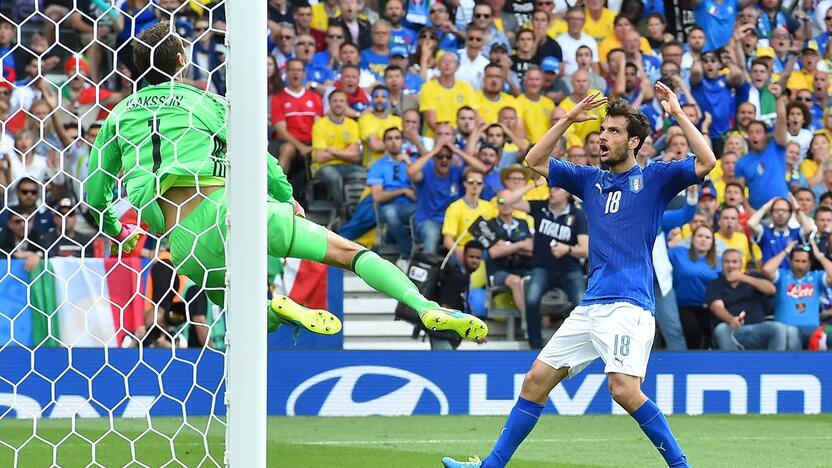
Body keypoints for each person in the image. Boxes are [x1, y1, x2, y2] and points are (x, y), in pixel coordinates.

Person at [85, 23, 487, 344]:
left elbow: (94, 191)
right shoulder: (201, 101)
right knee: (349, 253)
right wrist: (285, 195)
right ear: (179, 60)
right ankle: (423, 303)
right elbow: (257, 155)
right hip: (234, 210)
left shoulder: (118, 116)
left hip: (184, 242)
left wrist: (115, 227)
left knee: (248, 316)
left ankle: (277, 307)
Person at [442, 83, 714, 468]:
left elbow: (706, 161)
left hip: (629, 305)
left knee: (623, 390)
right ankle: (490, 467)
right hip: (591, 306)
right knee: (536, 379)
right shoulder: (590, 179)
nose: (603, 137)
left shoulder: (655, 178)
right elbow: (534, 159)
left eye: (614, 131)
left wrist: (678, 113)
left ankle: (681, 465)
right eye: (602, 130)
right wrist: (568, 118)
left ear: (634, 142)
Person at [503, 184, 589, 349]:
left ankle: (580, 345)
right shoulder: (540, 207)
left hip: (569, 270)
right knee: (531, 299)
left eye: (556, 188)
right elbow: (508, 201)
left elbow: (585, 250)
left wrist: (568, 249)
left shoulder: (577, 215)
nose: (551, 191)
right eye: (550, 188)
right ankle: (535, 345)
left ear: (567, 193)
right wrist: (534, 184)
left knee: (582, 304)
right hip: (541, 268)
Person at [707, 249, 787, 351]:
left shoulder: (753, 276)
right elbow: (717, 307)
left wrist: (743, 278)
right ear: (721, 264)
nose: (731, 265)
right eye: (727, 262)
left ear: (741, 264)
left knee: (779, 328)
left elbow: (771, 289)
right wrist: (730, 319)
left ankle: (774, 366)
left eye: (734, 262)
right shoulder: (715, 284)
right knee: (721, 329)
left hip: (758, 328)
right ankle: (733, 365)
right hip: (733, 329)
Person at [763, 240, 832, 350]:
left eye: (804, 261)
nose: (800, 265)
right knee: (791, 332)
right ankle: (795, 367)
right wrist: (785, 251)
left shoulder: (816, 277)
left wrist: (819, 255)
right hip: (786, 329)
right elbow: (767, 269)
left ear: (810, 263)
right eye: (797, 261)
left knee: (827, 333)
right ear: (790, 262)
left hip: (812, 329)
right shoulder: (783, 275)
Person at [368, 127, 417, 264]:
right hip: (387, 208)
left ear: (402, 142)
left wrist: (408, 164)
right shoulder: (377, 166)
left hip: (411, 206)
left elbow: (420, 191)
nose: (394, 142)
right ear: (384, 143)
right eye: (389, 139)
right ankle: (409, 253)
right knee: (390, 213)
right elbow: (377, 197)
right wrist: (403, 191)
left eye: (397, 138)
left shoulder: (412, 163)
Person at [669, 225, 722, 349]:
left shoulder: (720, 261)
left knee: (714, 336)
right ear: (692, 239)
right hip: (685, 306)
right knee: (693, 334)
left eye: (707, 237)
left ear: (712, 243)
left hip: (710, 308)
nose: (703, 239)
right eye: (700, 236)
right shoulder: (678, 252)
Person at [484, 190, 534, 319]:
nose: (505, 204)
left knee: (538, 279)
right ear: (496, 204)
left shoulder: (523, 223)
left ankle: (543, 319)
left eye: (509, 201)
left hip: (523, 267)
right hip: (498, 271)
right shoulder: (489, 225)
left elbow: (530, 249)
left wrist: (506, 247)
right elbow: (494, 253)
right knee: (515, 281)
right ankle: (528, 320)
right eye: (501, 201)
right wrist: (520, 245)